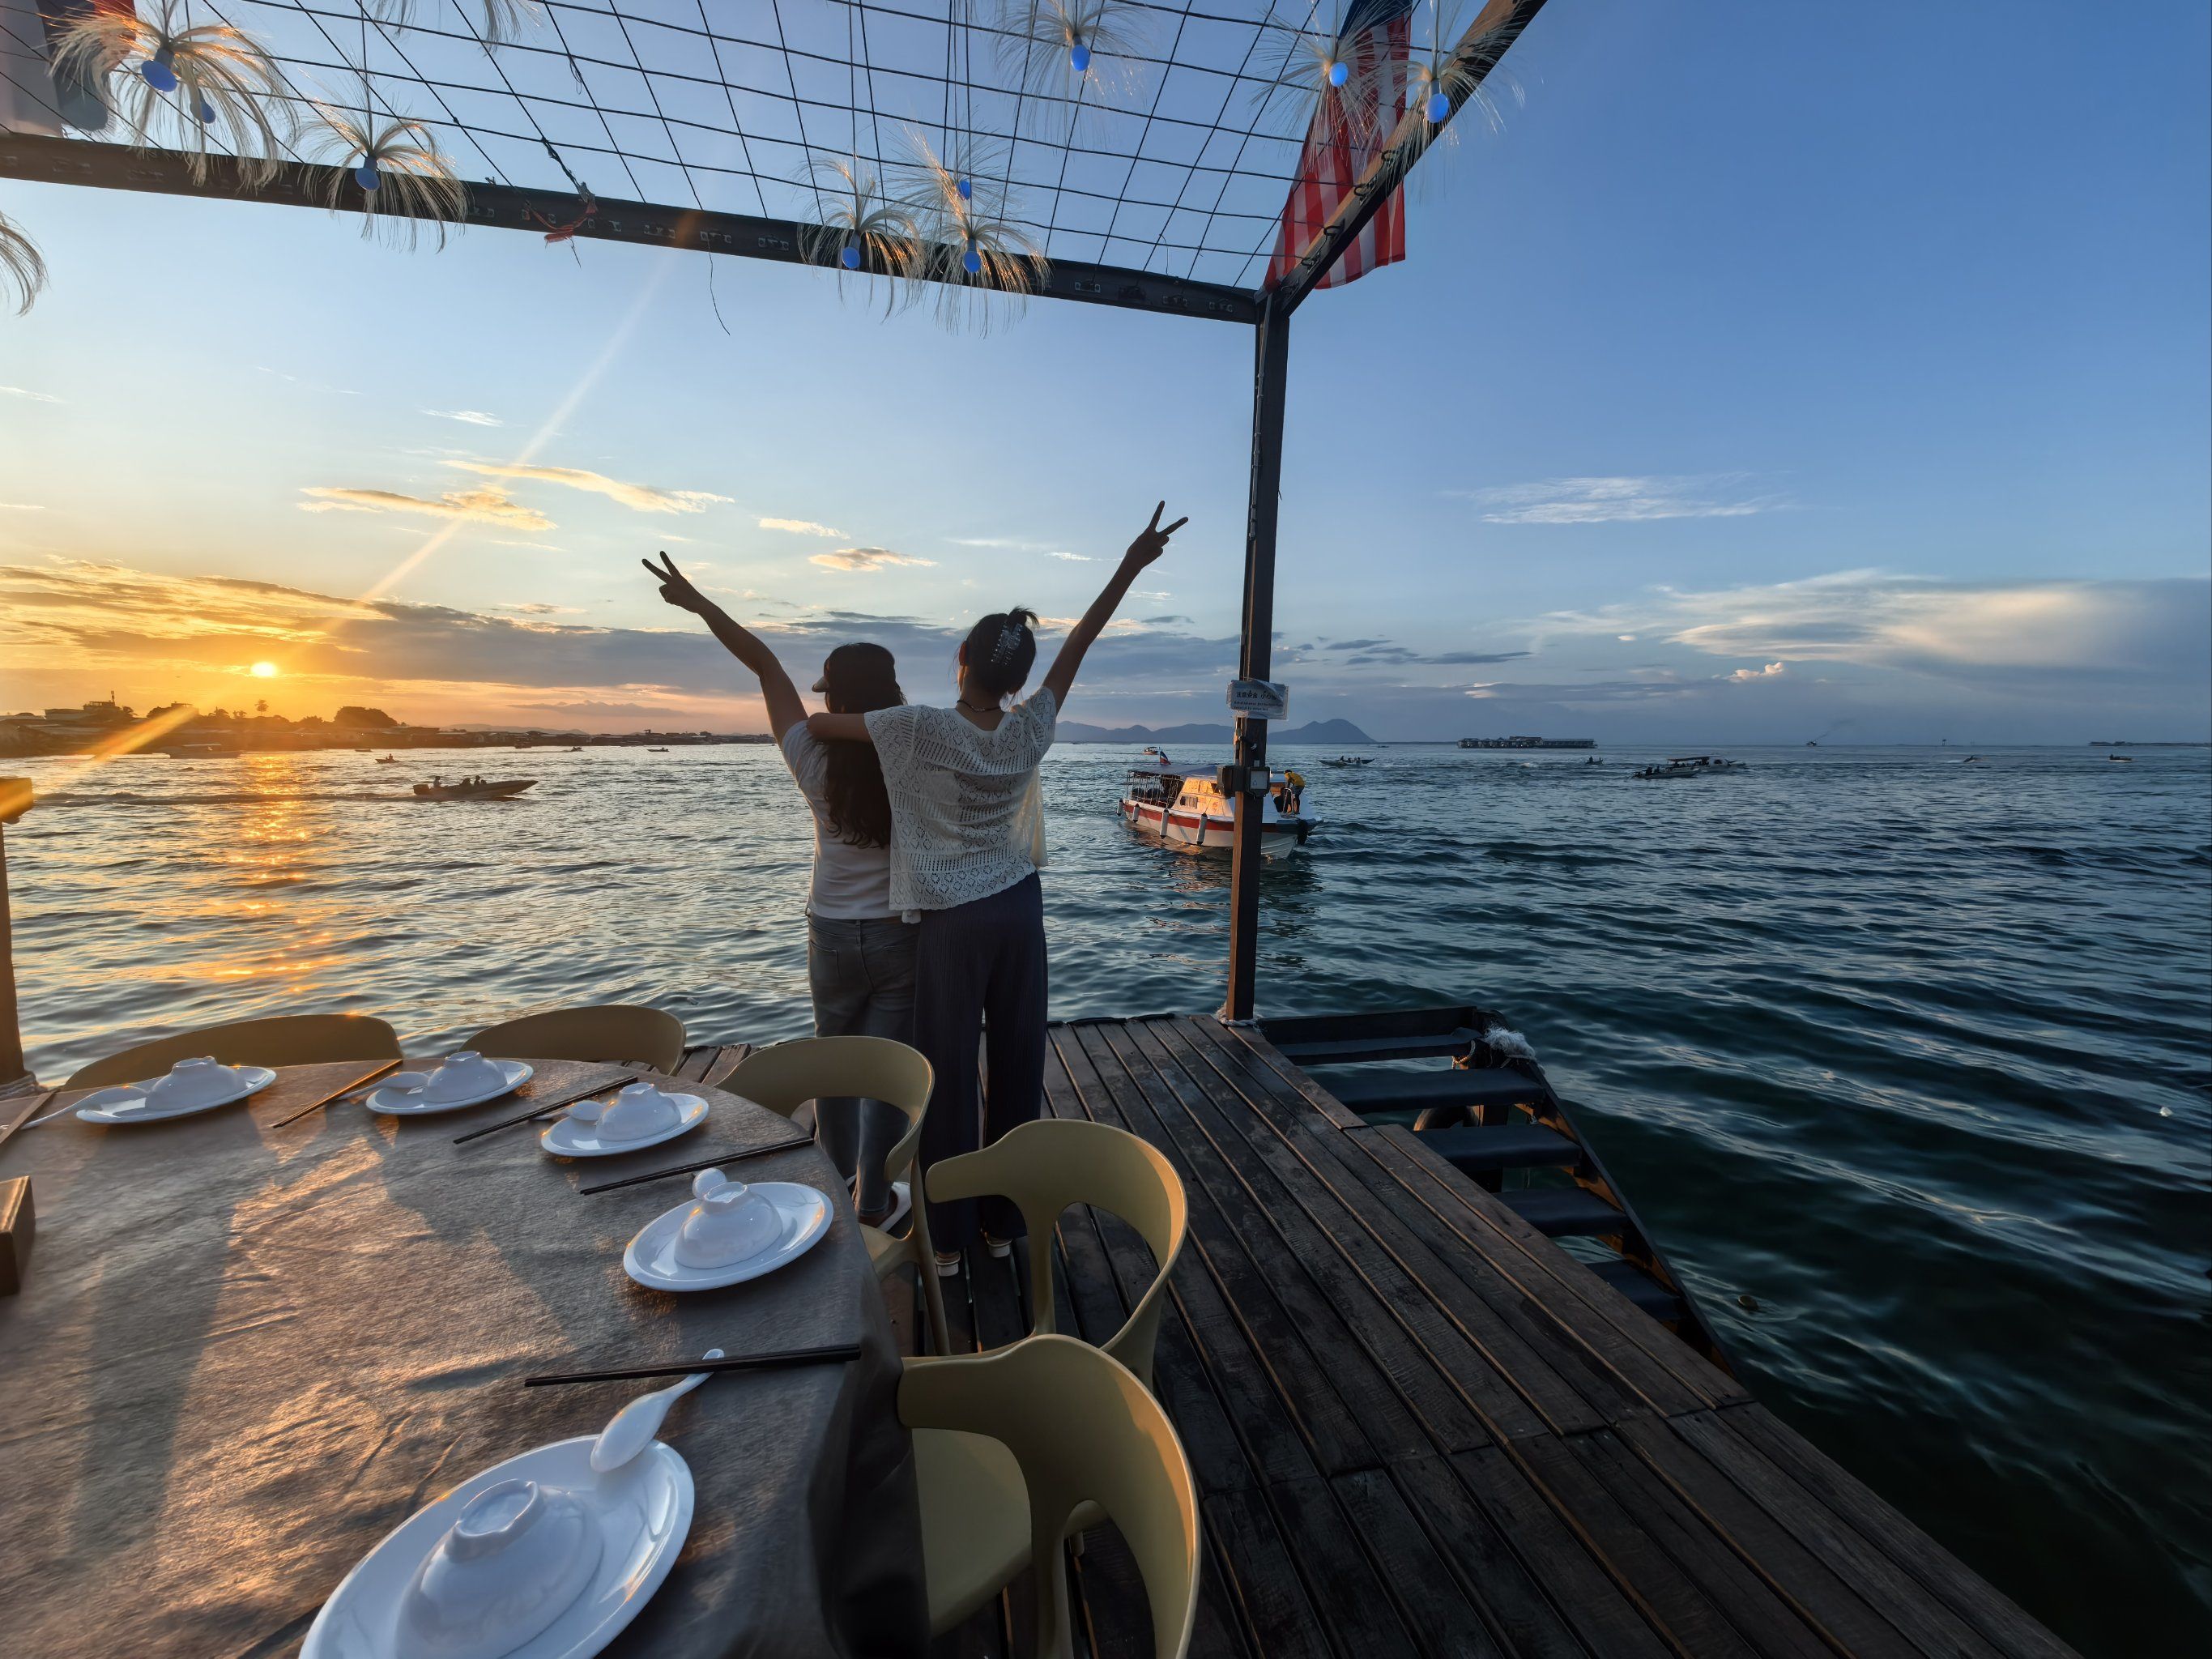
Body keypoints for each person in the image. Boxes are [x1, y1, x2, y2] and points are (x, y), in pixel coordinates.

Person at [807, 502, 1186, 1271]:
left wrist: (863, 716)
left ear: (960, 658)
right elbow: (1081, 639)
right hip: (1020, 909)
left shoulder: (917, 728)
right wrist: (1131, 564)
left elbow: (819, 728)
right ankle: (1008, 1228)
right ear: (1017, 677)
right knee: (1016, 1061)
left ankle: (945, 1241)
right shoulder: (1032, 726)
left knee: (945, 1075)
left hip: (950, 919)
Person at [642, 550, 915, 1229]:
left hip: (828, 929)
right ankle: (874, 1204)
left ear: (834, 697)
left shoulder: (809, 754)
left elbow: (764, 662)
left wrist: (700, 602)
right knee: (883, 1075)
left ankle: (828, 1193)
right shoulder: (913, 752)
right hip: (898, 933)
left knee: (833, 1065)